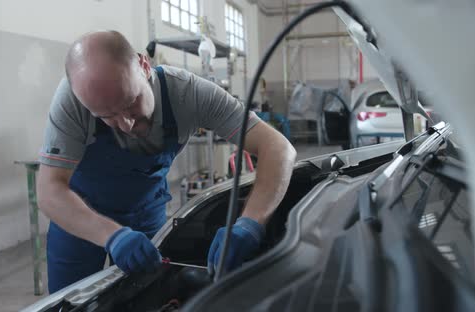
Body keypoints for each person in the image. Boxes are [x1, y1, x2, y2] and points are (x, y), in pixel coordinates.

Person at [36, 30, 296, 293]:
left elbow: (278, 147)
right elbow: (49, 191)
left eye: (130, 102)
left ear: (144, 65)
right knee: (68, 301)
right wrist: (111, 234)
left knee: (152, 295)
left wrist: (251, 222)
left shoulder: (188, 94)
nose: (125, 124)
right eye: (107, 116)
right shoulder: (73, 99)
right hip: (78, 218)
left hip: (145, 214)